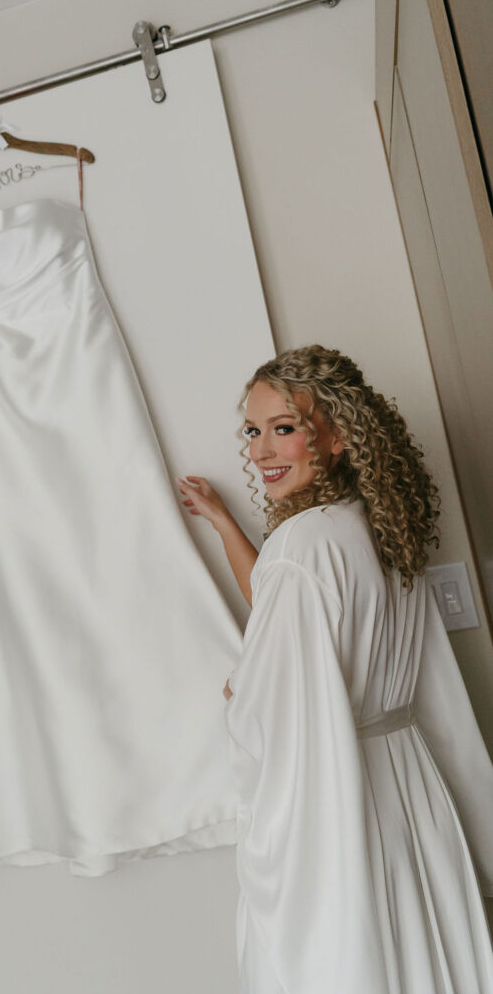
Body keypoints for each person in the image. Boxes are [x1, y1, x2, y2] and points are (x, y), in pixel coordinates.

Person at [176, 344, 493, 994]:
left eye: (283, 428)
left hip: (341, 794)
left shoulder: (304, 543)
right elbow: (286, 601)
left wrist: (240, 691)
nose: (262, 450)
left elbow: (273, 697)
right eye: (253, 430)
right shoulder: (371, 528)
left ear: (338, 435)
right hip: (409, 782)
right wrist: (226, 524)